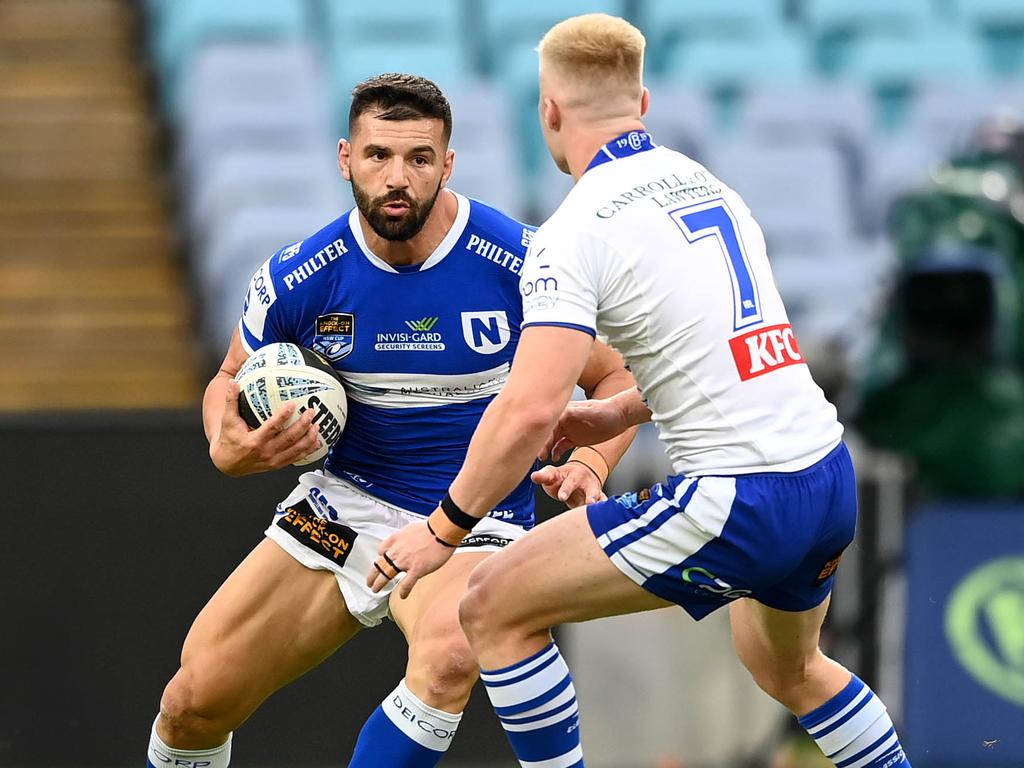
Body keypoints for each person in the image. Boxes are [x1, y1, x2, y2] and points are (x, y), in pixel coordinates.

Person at [370, 17, 913, 768]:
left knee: (489, 604)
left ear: (549, 112)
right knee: (787, 666)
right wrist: (620, 409)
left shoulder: (575, 230)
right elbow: (732, 350)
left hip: (738, 498)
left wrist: (440, 532)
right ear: (644, 103)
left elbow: (527, 411)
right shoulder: (709, 185)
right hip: (824, 475)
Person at [145, 73, 637, 768]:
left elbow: (619, 375)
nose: (397, 178)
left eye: (419, 158)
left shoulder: (520, 263)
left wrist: (590, 463)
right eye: (378, 156)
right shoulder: (302, 275)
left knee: (449, 655)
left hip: (473, 521)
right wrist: (228, 441)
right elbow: (228, 378)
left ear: (448, 164)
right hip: (343, 505)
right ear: (346, 158)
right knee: (193, 702)